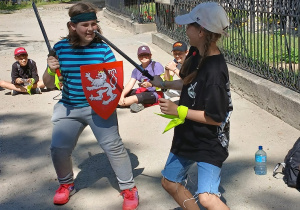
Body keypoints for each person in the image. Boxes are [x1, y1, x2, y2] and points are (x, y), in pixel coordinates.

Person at [42, 2, 138, 209]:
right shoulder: (59, 49)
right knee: (58, 148)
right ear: (72, 26)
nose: (91, 29)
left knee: (113, 147)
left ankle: (129, 187)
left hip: (99, 107)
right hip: (69, 106)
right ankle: (66, 184)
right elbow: (49, 85)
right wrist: (50, 70)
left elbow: (114, 83)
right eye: (85, 24)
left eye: (94, 23)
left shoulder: (103, 48)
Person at [150, 2, 233, 210]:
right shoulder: (197, 54)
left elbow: (215, 116)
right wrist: (165, 83)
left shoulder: (215, 72)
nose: (185, 30)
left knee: (207, 198)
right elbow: (190, 83)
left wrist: (178, 110)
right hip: (188, 134)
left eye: (189, 26)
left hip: (209, 140)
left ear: (202, 31)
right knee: (169, 182)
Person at [118, 45, 164, 113]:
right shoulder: (136, 70)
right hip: (143, 90)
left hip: (155, 93)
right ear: (138, 57)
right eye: (141, 55)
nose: (144, 57)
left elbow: (163, 84)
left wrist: (151, 85)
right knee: (121, 94)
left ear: (150, 55)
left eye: (146, 55)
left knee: (133, 98)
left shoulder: (156, 65)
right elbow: (130, 84)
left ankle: (113, 105)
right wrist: (122, 95)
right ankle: (140, 103)